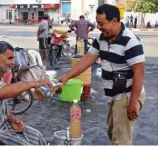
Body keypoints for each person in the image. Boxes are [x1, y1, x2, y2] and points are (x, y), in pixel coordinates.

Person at [59, 4, 145, 145]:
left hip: (127, 94)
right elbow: (87, 59)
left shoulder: (130, 42)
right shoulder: (102, 39)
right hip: (113, 95)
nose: (98, 27)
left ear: (115, 21)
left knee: (121, 139)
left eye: (101, 23)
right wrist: (66, 77)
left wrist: (133, 102)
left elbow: (139, 74)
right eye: (97, 23)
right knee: (112, 132)